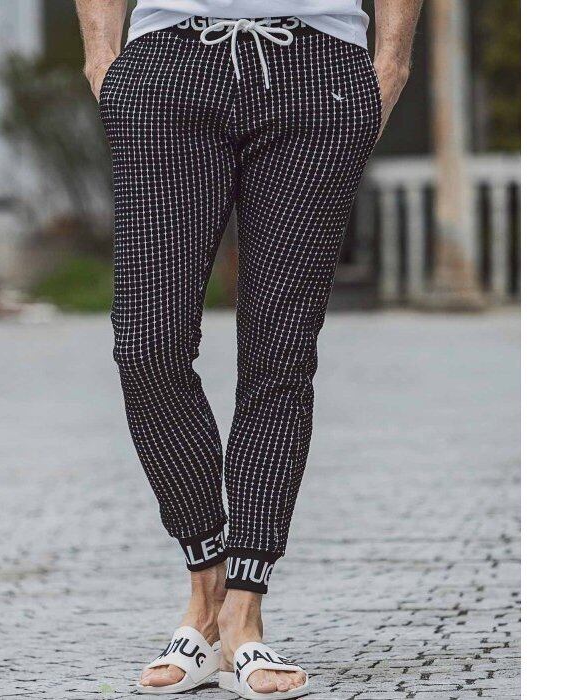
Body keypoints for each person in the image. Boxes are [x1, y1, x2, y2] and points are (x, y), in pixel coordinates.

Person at [75, 1, 422, 697]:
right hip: (168, 65)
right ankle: (204, 589)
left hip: (318, 69)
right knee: (146, 345)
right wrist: (103, 60)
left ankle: (242, 612)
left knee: (279, 357)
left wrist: (390, 64)